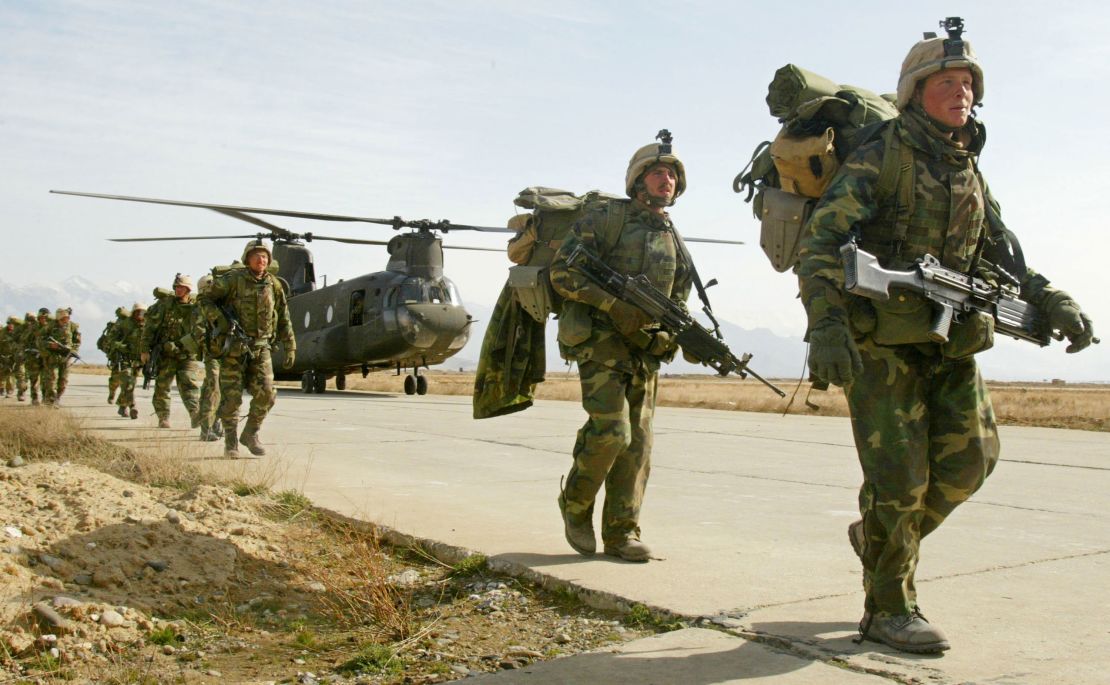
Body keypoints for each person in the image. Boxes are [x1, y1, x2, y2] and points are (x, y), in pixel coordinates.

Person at [796, 21, 1097, 654]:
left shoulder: (967, 169)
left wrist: (1051, 298)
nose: (960, 93)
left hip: (951, 342)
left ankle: (877, 538)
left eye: (967, 84)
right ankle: (889, 608)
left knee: (970, 461)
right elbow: (822, 241)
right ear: (913, 91)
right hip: (882, 346)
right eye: (945, 83)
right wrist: (824, 325)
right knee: (900, 483)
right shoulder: (882, 155)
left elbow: (1003, 252)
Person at [547, 133, 692, 562]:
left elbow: (678, 297)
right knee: (612, 433)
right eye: (658, 172)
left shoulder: (671, 236)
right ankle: (574, 505)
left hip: (643, 353)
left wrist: (672, 335)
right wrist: (613, 305)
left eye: (672, 175)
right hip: (601, 347)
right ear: (638, 180)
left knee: (639, 444)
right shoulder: (607, 219)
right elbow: (563, 273)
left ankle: (621, 532)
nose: (666, 180)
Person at [200, 240, 295, 458]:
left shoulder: (274, 284)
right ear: (247, 259)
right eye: (256, 256)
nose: (261, 260)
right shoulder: (231, 280)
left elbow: (284, 316)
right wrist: (220, 321)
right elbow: (205, 300)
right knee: (231, 399)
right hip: (233, 349)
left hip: (261, 349)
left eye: (264, 256)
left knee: (268, 394)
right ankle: (231, 442)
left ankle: (250, 433)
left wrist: (290, 345)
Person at [141, 274, 201, 429]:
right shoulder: (164, 305)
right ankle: (163, 417)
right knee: (162, 386)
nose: (178, 290)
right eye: (176, 287)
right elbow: (149, 329)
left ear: (188, 289)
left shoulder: (196, 307)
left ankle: (195, 413)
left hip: (187, 354)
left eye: (181, 287)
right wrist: (145, 350)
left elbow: (201, 330)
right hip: (166, 354)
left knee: (189, 384)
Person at [190, 274, 224, 442]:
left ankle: (216, 421)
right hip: (213, 353)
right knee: (213, 387)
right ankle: (206, 427)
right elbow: (198, 332)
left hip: (227, 352)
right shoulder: (200, 308)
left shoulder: (222, 305)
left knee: (224, 389)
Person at [111, 303, 146, 419]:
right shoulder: (125, 324)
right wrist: (123, 347)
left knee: (130, 384)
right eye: (138, 311)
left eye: (143, 312)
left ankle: (122, 406)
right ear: (134, 312)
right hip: (124, 358)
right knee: (128, 382)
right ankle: (132, 406)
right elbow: (112, 339)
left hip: (138, 361)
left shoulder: (148, 325)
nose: (140, 314)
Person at [40, 307, 80, 406]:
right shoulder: (49, 326)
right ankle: (51, 400)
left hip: (65, 358)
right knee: (51, 379)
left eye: (67, 318)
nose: (65, 320)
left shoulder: (72, 326)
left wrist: (73, 350)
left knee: (63, 381)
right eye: (63, 318)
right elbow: (40, 340)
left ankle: (57, 397)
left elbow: (77, 341)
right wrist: (50, 345)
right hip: (52, 356)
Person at [98, 307, 129, 404]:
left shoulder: (133, 324)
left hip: (129, 355)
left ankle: (123, 403)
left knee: (128, 382)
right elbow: (110, 340)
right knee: (115, 379)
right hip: (117, 355)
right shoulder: (116, 325)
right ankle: (112, 393)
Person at [24, 309, 51, 406]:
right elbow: (24, 340)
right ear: (39, 318)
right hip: (33, 357)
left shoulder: (51, 328)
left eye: (45, 318)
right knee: (34, 378)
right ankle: (34, 398)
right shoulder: (33, 327)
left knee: (46, 379)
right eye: (42, 318)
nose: (44, 319)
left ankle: (45, 397)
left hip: (46, 357)